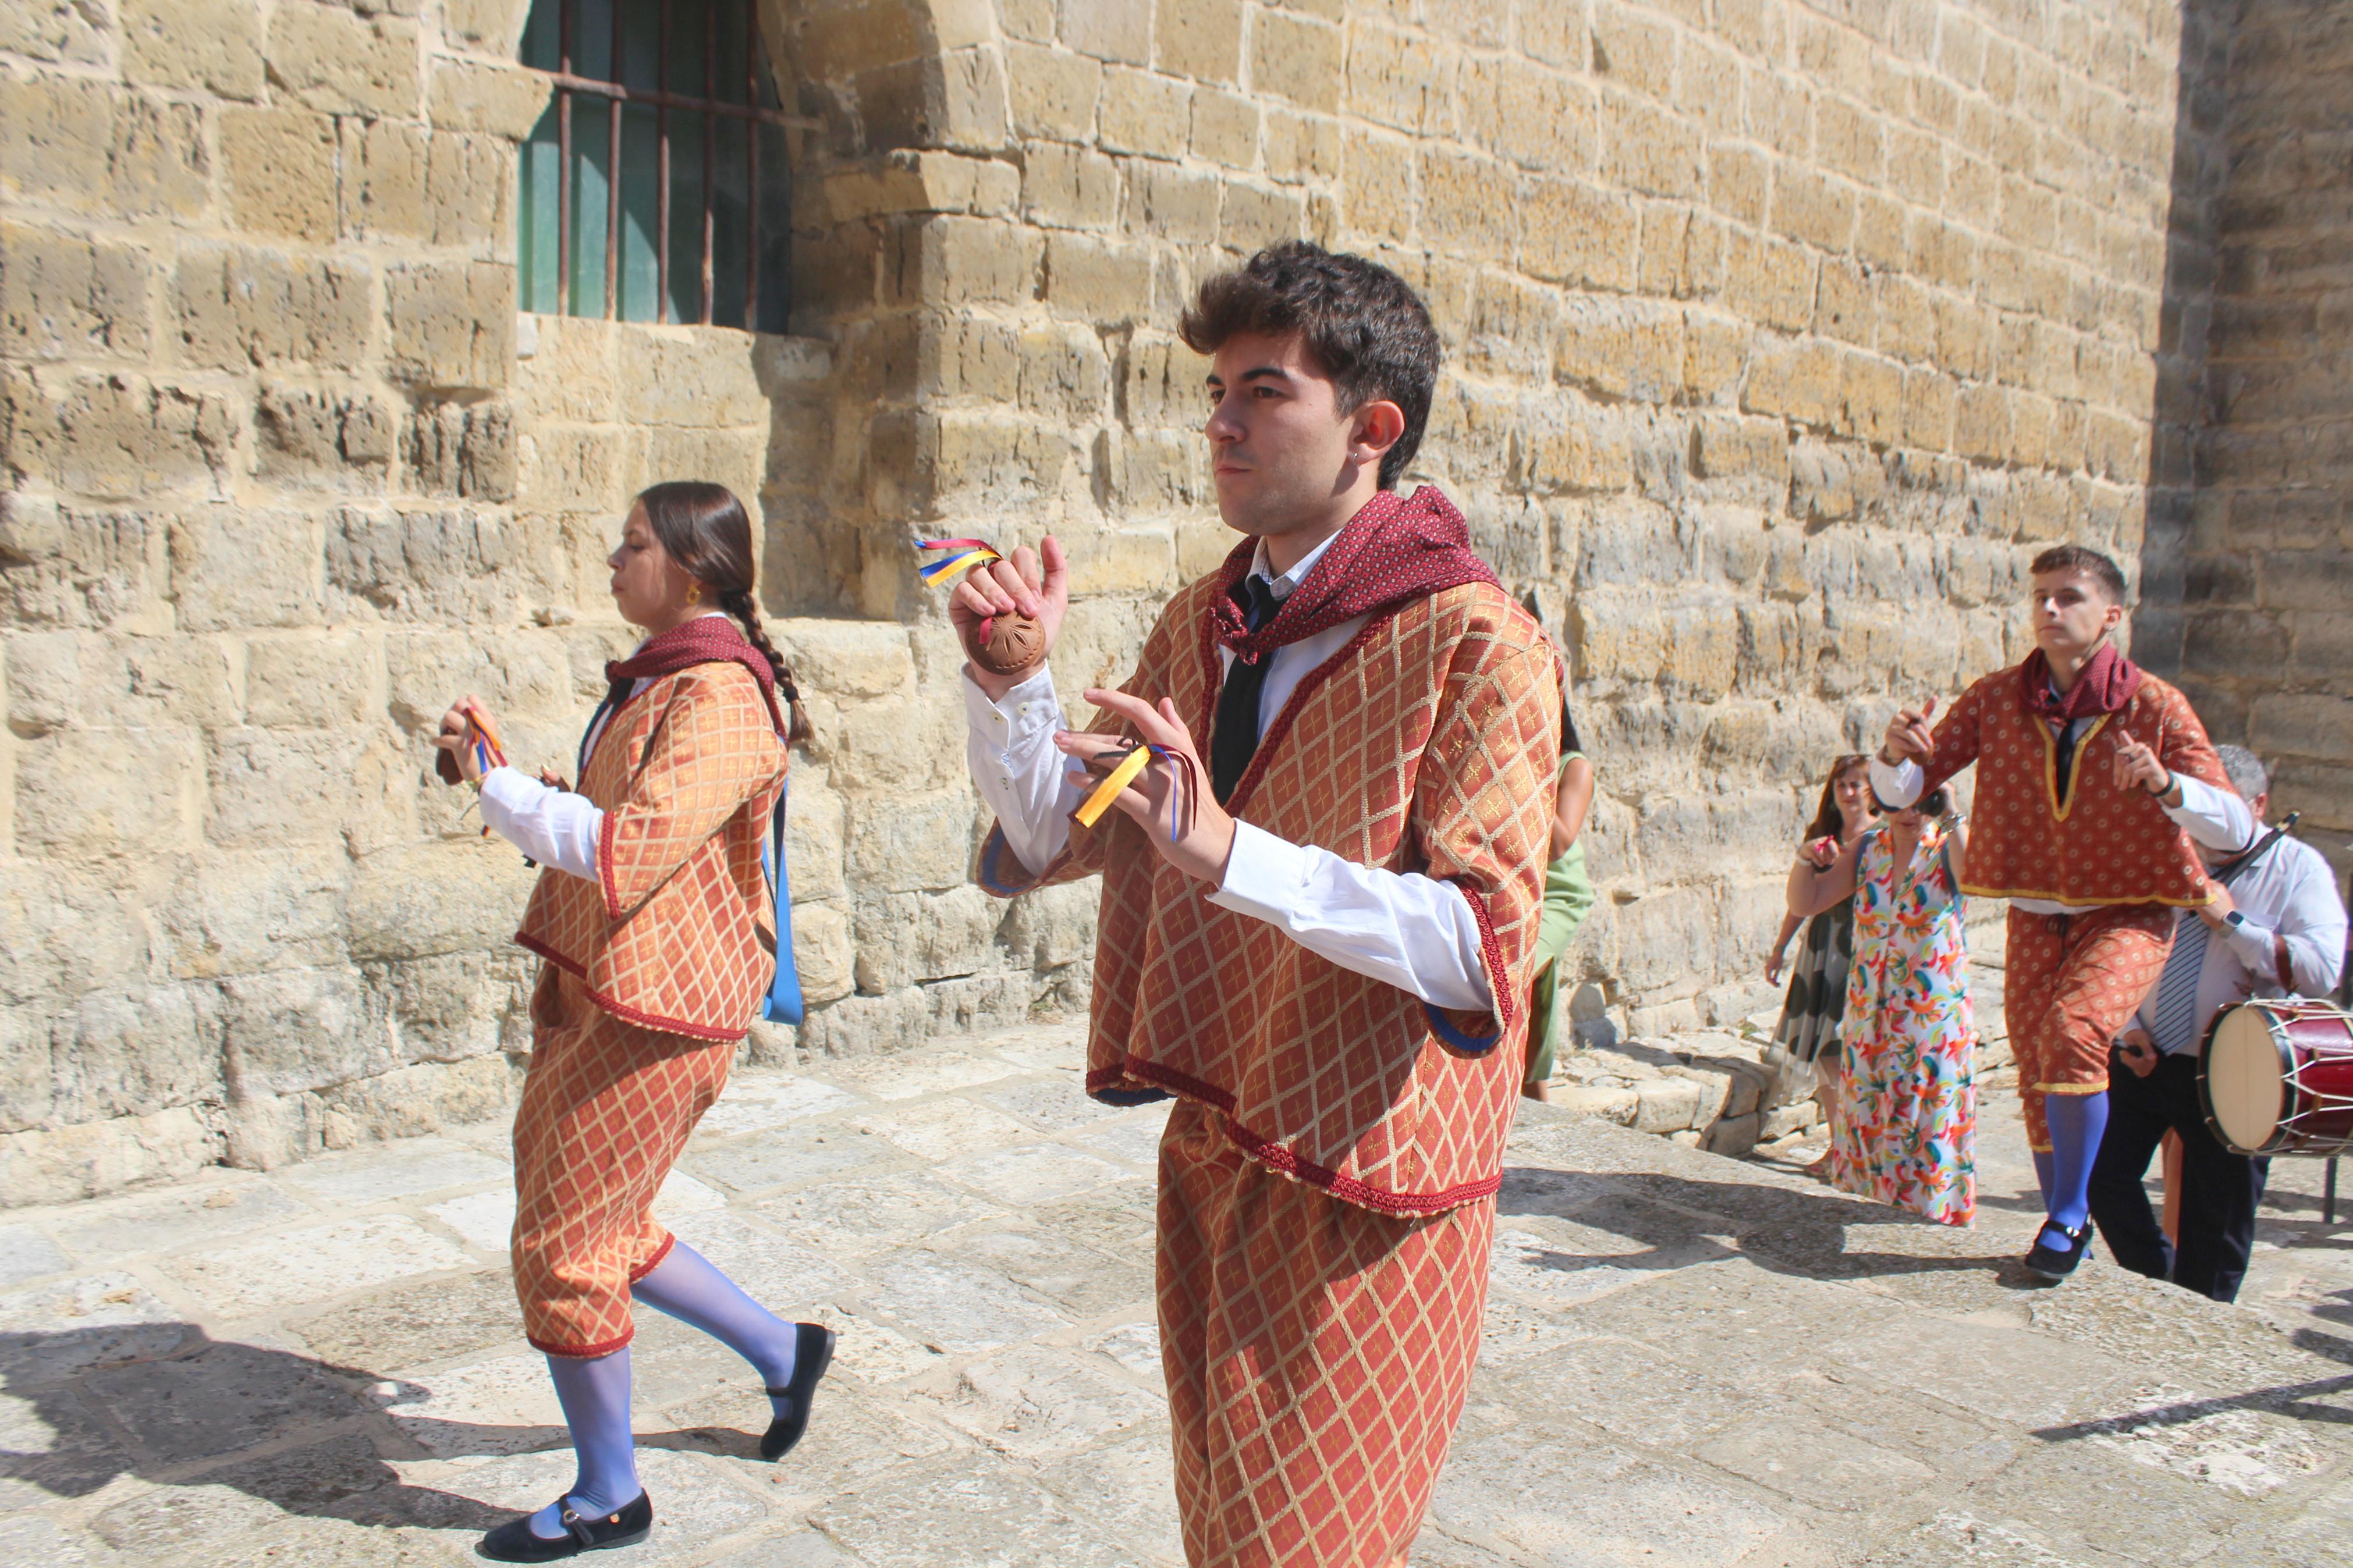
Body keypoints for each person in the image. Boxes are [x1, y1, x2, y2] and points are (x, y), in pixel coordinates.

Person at [949, 241, 1557, 1567]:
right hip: (1218, 1136)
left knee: (1310, 1547)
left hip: (1370, 1183)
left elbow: (1477, 945)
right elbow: (1057, 833)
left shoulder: (1477, 642)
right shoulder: (1206, 622)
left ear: (1370, 431)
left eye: (1262, 392)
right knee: (1223, 1528)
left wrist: (1234, 855)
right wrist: (1012, 690)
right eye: (1215, 391)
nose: (1219, 421)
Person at [436, 482, 832, 1563]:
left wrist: (496, 790)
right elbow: (626, 822)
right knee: (594, 1214)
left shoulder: (718, 696)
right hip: (613, 985)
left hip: (660, 1007)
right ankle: (780, 1350)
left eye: (633, 547)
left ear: (692, 570)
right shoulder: (664, 680)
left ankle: (610, 1493)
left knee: (567, 1241)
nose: (614, 563)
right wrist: (513, 782)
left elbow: (629, 850)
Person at [1872, 543, 2251, 1282]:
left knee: (2072, 1032)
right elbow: (1906, 788)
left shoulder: (2156, 706)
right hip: (2033, 909)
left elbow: (2233, 828)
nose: (2048, 609)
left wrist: (2166, 785)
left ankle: (2070, 1213)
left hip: (2130, 909)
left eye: (2067, 596)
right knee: (2037, 1066)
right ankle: (2062, 1220)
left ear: (2110, 615)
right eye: (2039, 596)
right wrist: (1894, 755)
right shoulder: (1995, 697)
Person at [2089, 745, 2348, 1302]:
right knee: (2100, 1177)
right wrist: (2126, 1022)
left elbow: (2322, 970)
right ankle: (2160, 1285)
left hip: (2239, 1066)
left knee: (2219, 1217)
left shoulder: (2297, 868)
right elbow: (2112, 935)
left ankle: (2200, 1317)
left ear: (2256, 804)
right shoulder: (2160, 849)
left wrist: (2230, 921)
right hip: (2145, 1052)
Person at [1795, 788, 1976, 1224]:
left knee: (1923, 1136)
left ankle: (1923, 1233)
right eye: (1899, 800)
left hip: (1929, 1025)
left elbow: (1973, 879)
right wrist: (1804, 861)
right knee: (1871, 1141)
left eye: (1923, 799)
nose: (1910, 812)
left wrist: (1951, 815)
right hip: (1869, 1019)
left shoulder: (1948, 843)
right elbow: (1806, 902)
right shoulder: (1868, 849)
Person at [1765, 755, 1879, 1165]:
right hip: (1824, 947)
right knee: (1826, 1049)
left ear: (1872, 790)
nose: (1848, 793)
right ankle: (1839, 1147)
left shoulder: (1880, 837)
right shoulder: (1822, 837)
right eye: (1841, 785)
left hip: (1862, 950)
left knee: (1848, 1049)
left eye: (1856, 784)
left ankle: (1856, 1146)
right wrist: (1780, 946)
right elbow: (1802, 900)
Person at [1525, 700, 1598, 1102]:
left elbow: (1558, 842)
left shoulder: (1574, 766)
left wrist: (1524, 761)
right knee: (1539, 994)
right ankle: (1538, 1100)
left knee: (1517, 968)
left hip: (1556, 895)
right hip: (1513, 884)